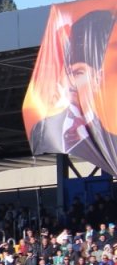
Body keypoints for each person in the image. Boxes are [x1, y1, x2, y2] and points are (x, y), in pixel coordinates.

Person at [29, 9, 117, 173]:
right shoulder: (42, 129)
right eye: (67, 73)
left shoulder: (112, 142)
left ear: (97, 78)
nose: (70, 82)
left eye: (78, 73)